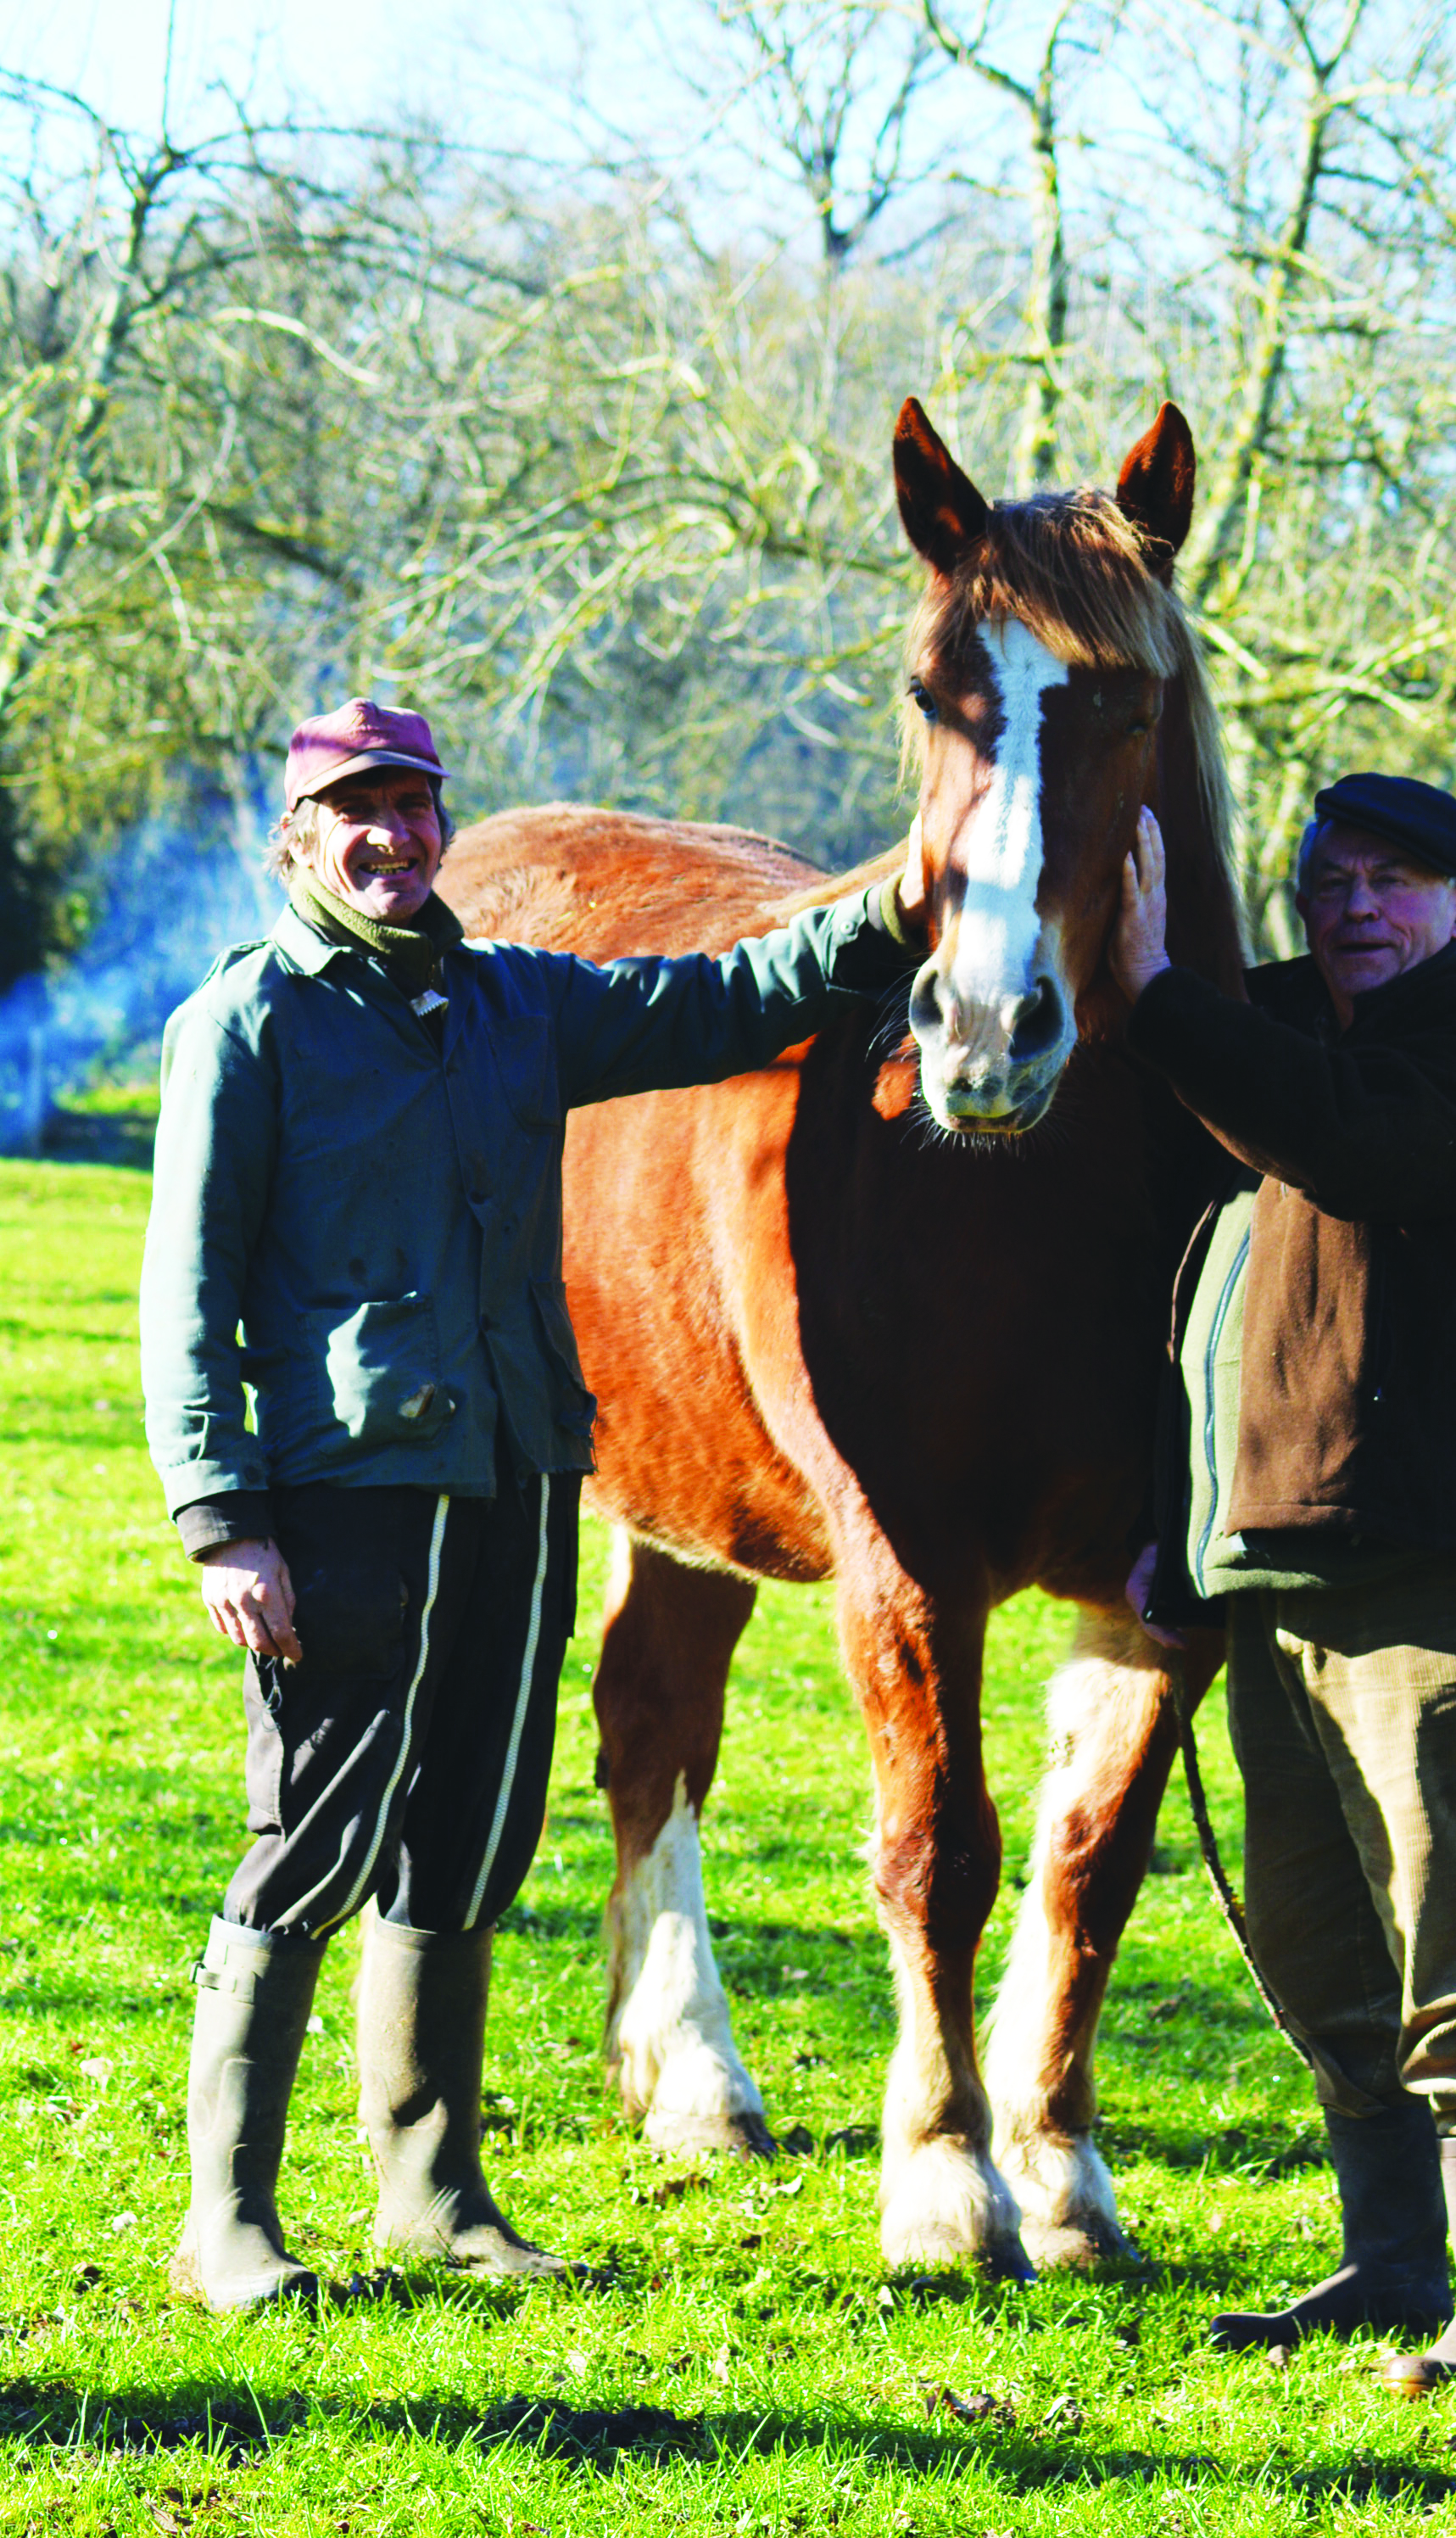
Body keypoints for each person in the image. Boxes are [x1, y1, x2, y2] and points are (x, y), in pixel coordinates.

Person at [140, 696, 926, 2312]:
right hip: (343, 1490)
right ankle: (228, 2220)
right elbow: (186, 1289)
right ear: (300, 836)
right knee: (311, 1844)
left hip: (513, 1477)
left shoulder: (514, 1001)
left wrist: (913, 889)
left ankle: (432, 2188)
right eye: (357, 811)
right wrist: (221, 1513)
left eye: (415, 808)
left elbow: (730, 997)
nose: (393, 836)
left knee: (477, 1837)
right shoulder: (247, 1026)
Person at [1113, 771, 1456, 2390]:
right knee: (1324, 1939)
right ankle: (1390, 2262)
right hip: (1276, 1565)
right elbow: (1228, 1325)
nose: (1357, 909)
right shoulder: (1297, 1052)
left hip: (1432, 1565)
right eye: (1329, 881)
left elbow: (1351, 1149)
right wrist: (1187, 1533)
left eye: (1399, 882)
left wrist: (1159, 991)